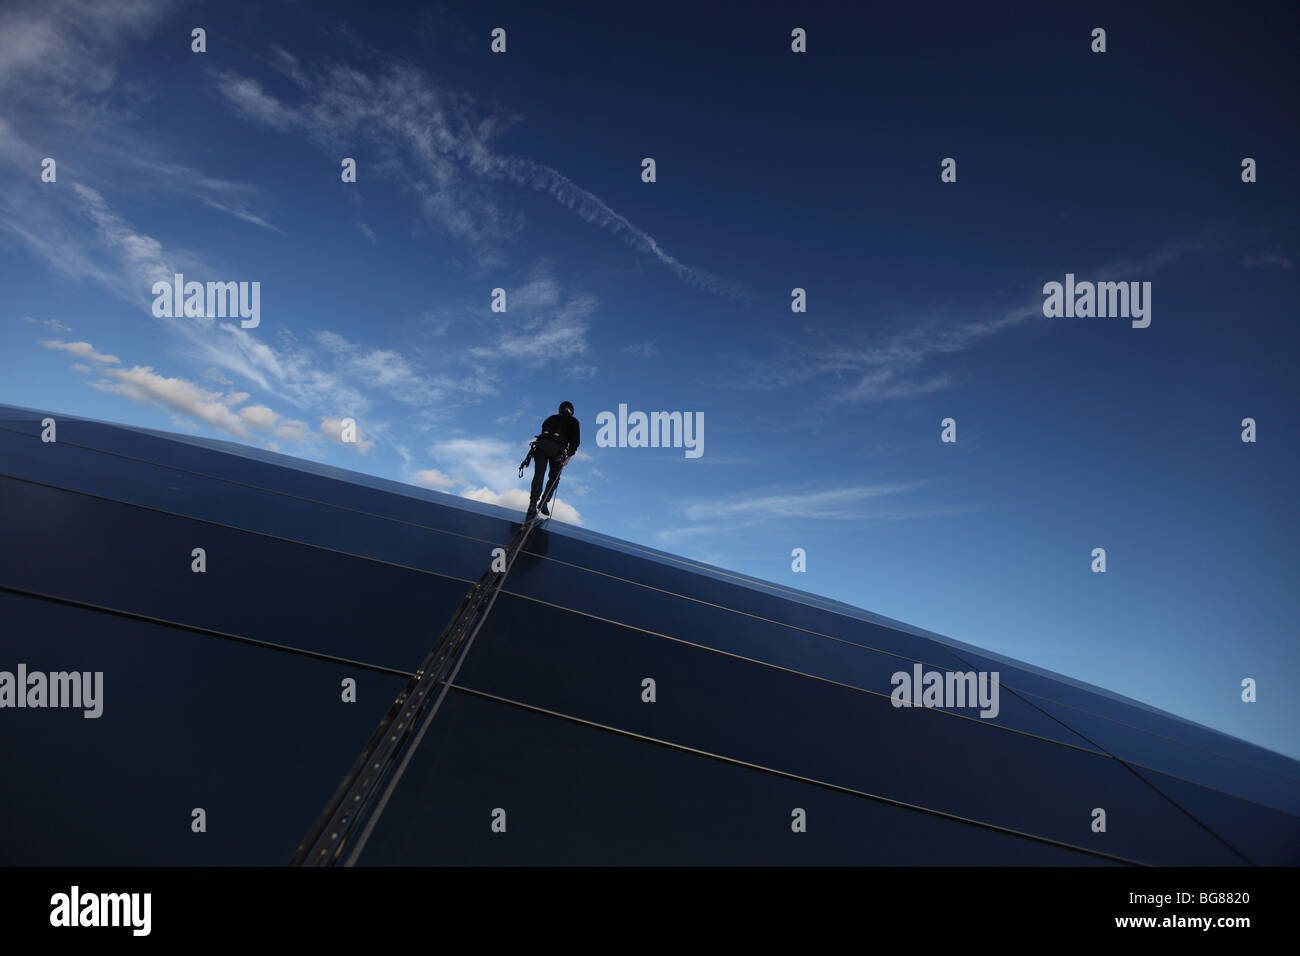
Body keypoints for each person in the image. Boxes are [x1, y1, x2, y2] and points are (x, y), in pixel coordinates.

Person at [526, 401, 580, 521]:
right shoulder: (573, 421)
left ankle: (532, 505)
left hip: (541, 446)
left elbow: (543, 430)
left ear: (560, 409)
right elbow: (575, 442)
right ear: (571, 411)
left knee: (539, 474)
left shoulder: (550, 418)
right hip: (557, 449)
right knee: (555, 477)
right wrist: (569, 456)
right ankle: (544, 501)